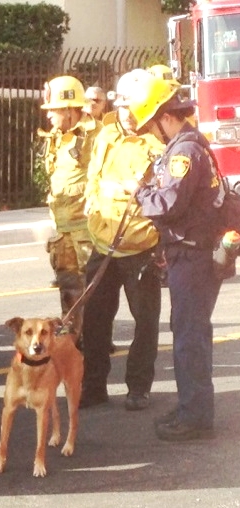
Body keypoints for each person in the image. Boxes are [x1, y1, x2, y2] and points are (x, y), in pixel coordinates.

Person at [124, 76, 222, 441]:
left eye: (152, 125)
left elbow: (169, 202)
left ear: (164, 116)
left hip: (193, 256)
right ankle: (192, 406)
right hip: (190, 252)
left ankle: (195, 416)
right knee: (191, 332)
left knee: (189, 336)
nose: (152, 132)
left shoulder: (184, 152)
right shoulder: (186, 146)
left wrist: (139, 191)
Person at [80, 70, 165, 410]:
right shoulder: (106, 133)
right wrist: (92, 201)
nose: (130, 113)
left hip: (141, 246)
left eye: (136, 106)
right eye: (126, 106)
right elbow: (94, 176)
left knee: (145, 322)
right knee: (96, 321)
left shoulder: (159, 141)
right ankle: (93, 386)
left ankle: (138, 388)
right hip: (104, 243)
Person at [39, 75, 102, 332]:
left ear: (68, 109)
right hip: (62, 231)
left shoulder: (96, 135)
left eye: (53, 110)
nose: (49, 116)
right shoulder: (56, 136)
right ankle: (73, 338)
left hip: (86, 231)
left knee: (92, 290)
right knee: (68, 288)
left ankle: (95, 338)